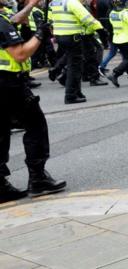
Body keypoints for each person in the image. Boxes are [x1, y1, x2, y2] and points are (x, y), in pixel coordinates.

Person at [0, 0, 67, 203]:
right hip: (9, 85)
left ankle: (0, 185)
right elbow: (20, 54)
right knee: (36, 127)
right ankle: (38, 179)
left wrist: (32, 4)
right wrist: (40, 35)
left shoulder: (4, 19)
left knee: (1, 133)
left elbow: (15, 19)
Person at [50, 0, 103, 104]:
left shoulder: (55, 3)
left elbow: (51, 19)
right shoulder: (72, 3)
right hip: (72, 37)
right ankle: (70, 96)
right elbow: (87, 19)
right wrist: (100, 29)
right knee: (74, 68)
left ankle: (77, 92)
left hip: (60, 36)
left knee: (74, 64)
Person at [81, 0, 109, 86]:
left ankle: (87, 74)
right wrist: (101, 30)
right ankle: (94, 76)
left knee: (84, 55)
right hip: (87, 33)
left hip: (84, 33)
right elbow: (90, 20)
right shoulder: (80, 6)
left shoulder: (82, 5)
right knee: (93, 54)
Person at [106, 0, 128, 87]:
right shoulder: (125, 13)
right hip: (126, 38)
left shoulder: (112, 13)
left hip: (117, 38)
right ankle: (115, 73)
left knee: (127, 59)